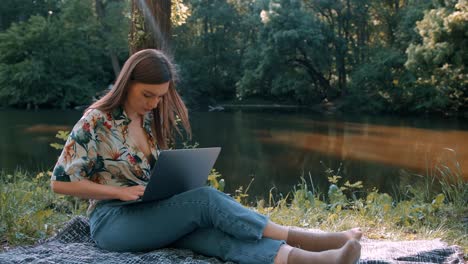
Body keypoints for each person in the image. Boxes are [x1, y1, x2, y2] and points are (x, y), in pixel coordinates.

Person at [50, 49, 362, 264]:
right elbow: (61, 183)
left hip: (147, 213)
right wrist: (118, 192)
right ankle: (308, 239)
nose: (154, 103)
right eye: (148, 95)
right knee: (207, 200)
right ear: (127, 83)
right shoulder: (96, 119)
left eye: (160, 97)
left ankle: (313, 260)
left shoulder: (144, 121)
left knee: (214, 236)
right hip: (112, 222)